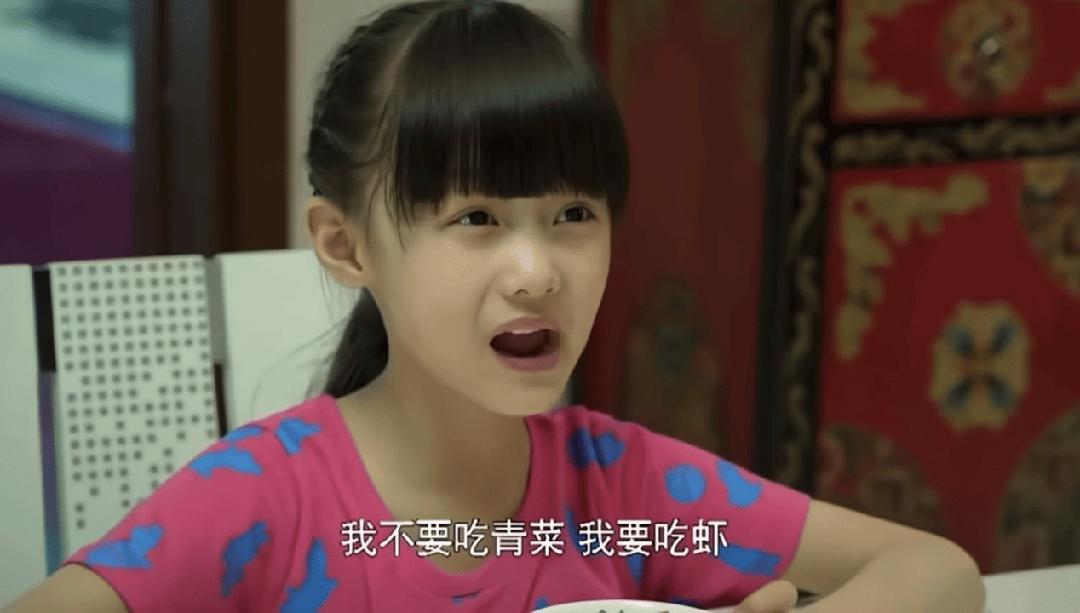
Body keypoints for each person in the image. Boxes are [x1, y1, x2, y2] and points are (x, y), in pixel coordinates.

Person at [3, 1, 986, 611]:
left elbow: (936, 571)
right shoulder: (261, 498)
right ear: (346, 244)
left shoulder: (627, 497)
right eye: (476, 217)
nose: (537, 271)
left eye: (572, 214)